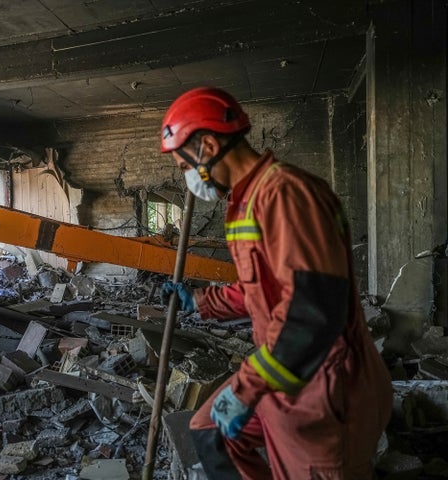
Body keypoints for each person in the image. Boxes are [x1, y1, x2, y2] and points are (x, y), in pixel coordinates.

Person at [160, 87, 392, 479]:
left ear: (209, 146)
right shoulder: (247, 202)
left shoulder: (284, 195)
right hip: (283, 373)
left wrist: (245, 388)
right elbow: (261, 291)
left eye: (184, 166)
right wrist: (198, 301)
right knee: (210, 434)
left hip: (322, 386)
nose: (187, 179)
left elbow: (310, 314)